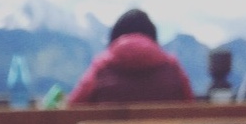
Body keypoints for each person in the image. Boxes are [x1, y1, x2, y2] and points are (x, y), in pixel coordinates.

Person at [66, 9, 194, 104]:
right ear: (152, 36)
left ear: (115, 36)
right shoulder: (172, 67)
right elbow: (190, 107)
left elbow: (73, 108)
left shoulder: (101, 67)